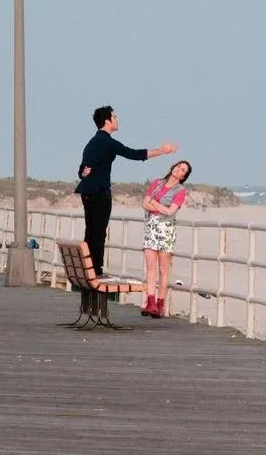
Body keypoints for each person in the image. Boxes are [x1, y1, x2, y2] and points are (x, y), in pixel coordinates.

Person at [75, 105, 177, 276]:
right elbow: (133, 154)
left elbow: (82, 168)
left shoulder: (92, 142)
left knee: (91, 230)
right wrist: (162, 151)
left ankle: (88, 268)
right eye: (114, 117)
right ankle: (96, 270)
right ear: (107, 121)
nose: (117, 120)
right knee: (98, 232)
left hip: (87, 191)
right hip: (99, 191)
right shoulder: (107, 142)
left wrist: (83, 173)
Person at [141, 160, 192, 318]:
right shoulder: (157, 183)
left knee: (163, 269)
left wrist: (154, 203)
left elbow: (171, 212)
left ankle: (160, 304)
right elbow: (145, 203)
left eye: (183, 170)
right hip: (151, 227)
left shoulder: (181, 191)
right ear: (173, 167)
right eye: (178, 166)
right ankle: (150, 301)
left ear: (184, 176)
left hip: (166, 230)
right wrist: (159, 207)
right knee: (150, 266)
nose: (179, 170)